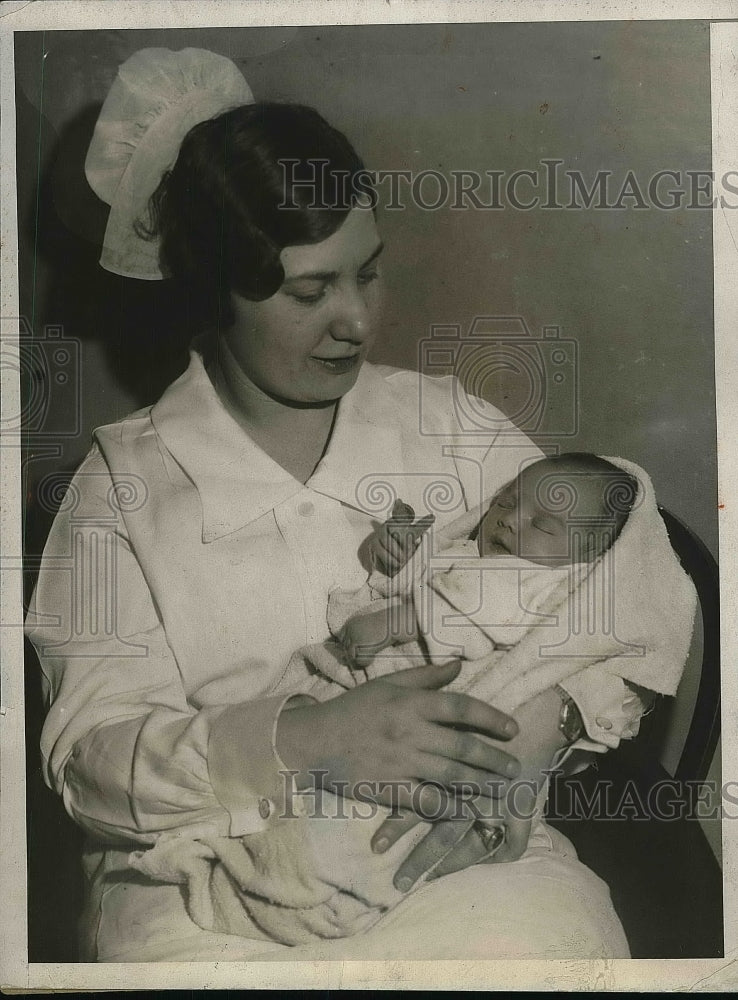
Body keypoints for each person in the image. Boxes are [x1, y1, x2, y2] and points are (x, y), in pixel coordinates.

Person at [25, 48, 695, 962]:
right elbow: (88, 766)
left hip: (459, 851)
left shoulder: (445, 422)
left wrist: (536, 733)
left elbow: (637, 578)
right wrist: (308, 739)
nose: (358, 321)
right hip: (207, 878)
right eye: (311, 291)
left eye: (367, 273)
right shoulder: (122, 489)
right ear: (212, 290)